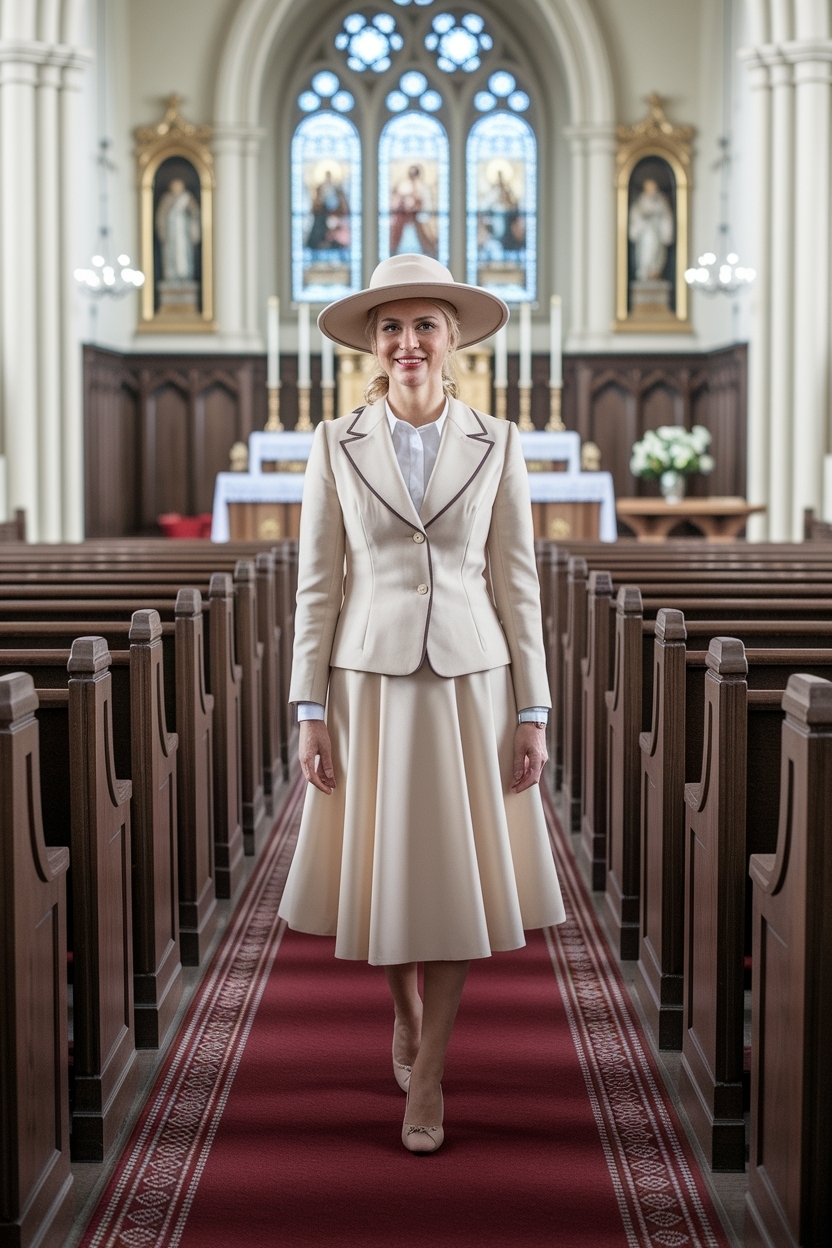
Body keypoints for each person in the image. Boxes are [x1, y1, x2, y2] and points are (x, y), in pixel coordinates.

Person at [278, 253, 566, 1154]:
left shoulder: (500, 441)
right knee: (389, 871)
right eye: (391, 327)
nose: (408, 341)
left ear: (453, 340)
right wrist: (307, 709)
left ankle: (430, 1070)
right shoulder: (333, 442)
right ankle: (401, 1010)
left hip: (471, 684)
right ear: (373, 342)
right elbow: (316, 589)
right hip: (367, 683)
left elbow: (518, 584)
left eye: (425, 325)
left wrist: (534, 710)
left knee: (452, 875)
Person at [628, 176, 674, 281]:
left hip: (657, 232)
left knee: (657, 253)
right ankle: (644, 272)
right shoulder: (641, 200)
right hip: (645, 232)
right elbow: (635, 216)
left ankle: (654, 271)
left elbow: (666, 217)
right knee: (646, 252)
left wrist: (667, 233)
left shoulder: (661, 200)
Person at [155, 176, 201, 281]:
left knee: (184, 253)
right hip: (171, 232)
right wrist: (162, 232)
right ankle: (171, 275)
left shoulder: (187, 198)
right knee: (170, 254)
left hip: (183, 232)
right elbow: (161, 216)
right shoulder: (166, 199)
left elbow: (195, 213)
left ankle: (185, 274)